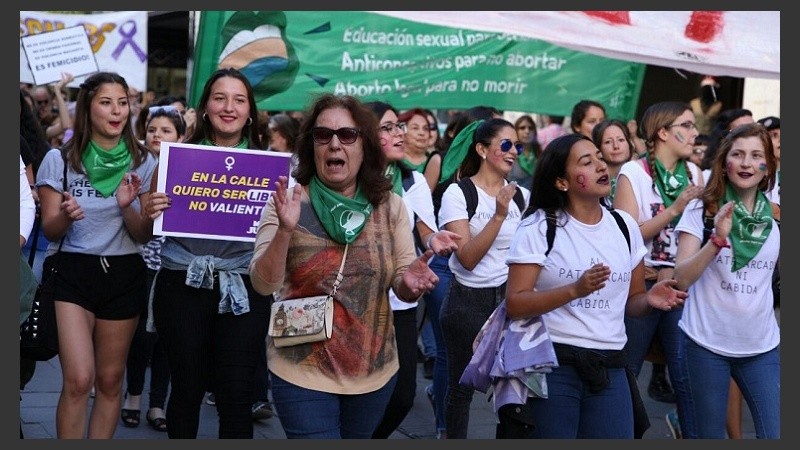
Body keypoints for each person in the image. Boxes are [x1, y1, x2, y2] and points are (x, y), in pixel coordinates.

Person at [248, 93, 440, 439]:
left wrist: (410, 282)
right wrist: (285, 232)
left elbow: (401, 281)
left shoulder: (390, 206)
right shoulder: (289, 203)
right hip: (300, 369)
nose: (335, 143)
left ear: (364, 145)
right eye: (324, 135)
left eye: (347, 135)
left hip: (372, 372)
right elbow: (263, 284)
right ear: (312, 146)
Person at [503, 133, 687, 438]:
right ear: (562, 181)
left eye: (599, 158)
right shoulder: (539, 226)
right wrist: (574, 290)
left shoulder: (624, 227)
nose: (601, 166)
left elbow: (634, 301)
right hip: (552, 364)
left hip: (611, 365)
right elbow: (516, 303)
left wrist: (650, 300)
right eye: (586, 162)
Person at [35, 71, 158, 438]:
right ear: (88, 107)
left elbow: (143, 235)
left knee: (108, 381)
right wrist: (65, 215)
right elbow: (50, 230)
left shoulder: (144, 162)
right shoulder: (60, 160)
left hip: (124, 274)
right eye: (106, 102)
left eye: (123, 102)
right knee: (78, 378)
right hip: (73, 273)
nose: (117, 111)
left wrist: (128, 208)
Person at [149, 67, 267, 439]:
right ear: (205, 108)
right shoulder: (174, 161)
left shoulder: (272, 168)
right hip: (181, 285)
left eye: (239, 99)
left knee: (236, 394)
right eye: (219, 98)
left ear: (250, 112)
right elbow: (141, 230)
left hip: (244, 288)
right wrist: (144, 210)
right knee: (186, 389)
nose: (228, 107)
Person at [673, 123, 780, 439]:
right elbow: (681, 278)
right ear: (724, 163)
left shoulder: (777, 217)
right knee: (709, 435)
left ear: (768, 166)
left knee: (775, 433)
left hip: (761, 346)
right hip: (705, 344)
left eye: (756, 155)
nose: (747, 163)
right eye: (738, 154)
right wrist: (716, 240)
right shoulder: (702, 209)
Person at [366, 101, 460, 439]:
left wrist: (434, 240)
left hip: (400, 301)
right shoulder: (347, 177)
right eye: (388, 127)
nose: (399, 133)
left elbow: (423, 227)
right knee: (358, 388)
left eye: (398, 127)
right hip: (358, 300)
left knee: (403, 395)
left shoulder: (412, 179)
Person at [613, 100, 704, 439]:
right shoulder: (633, 173)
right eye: (687, 125)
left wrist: (678, 274)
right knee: (627, 370)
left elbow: (692, 233)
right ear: (663, 132)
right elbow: (626, 235)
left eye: (695, 126)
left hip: (678, 286)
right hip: (641, 283)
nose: (695, 133)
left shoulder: (693, 173)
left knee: (685, 374)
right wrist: (673, 209)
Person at [438, 118, 531, 439]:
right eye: (506, 145)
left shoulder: (522, 196)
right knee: (461, 389)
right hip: (468, 303)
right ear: (481, 149)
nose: (513, 152)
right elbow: (466, 257)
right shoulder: (458, 193)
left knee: (514, 388)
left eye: (517, 146)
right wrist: (499, 215)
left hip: (510, 302)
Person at [120, 105, 186, 432]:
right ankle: (133, 396)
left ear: (181, 137)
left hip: (176, 265)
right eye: (152, 129)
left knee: (167, 340)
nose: (156, 135)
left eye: (165, 130)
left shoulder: (190, 170)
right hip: (144, 263)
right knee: (143, 337)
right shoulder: (138, 169)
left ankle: (157, 403)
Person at [591, 118, 635, 207]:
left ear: (630, 144)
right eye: (608, 142)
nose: (616, 146)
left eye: (621, 140)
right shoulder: (593, 182)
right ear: (598, 148)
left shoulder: (641, 175)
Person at [509, 114, 541, 189]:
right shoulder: (509, 154)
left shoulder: (540, 155)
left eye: (530, 128)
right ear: (516, 131)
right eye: (522, 128)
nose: (527, 131)